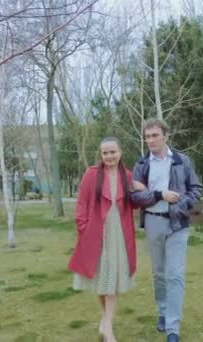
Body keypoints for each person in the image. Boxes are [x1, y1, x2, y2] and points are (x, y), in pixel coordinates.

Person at [131, 119, 202, 342]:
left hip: (177, 224)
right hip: (152, 222)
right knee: (159, 274)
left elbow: (196, 189)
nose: (150, 140)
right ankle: (162, 313)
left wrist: (181, 205)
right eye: (147, 136)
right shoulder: (141, 165)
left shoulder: (182, 161)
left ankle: (173, 328)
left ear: (165, 136)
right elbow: (134, 196)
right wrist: (160, 194)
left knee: (175, 275)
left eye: (155, 135)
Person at [67, 137, 137, 342]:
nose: (109, 156)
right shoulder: (92, 174)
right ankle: (106, 320)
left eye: (112, 152)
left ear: (120, 152)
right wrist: (83, 227)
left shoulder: (128, 175)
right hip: (96, 233)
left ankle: (107, 327)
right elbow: (81, 202)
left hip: (119, 234)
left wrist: (144, 190)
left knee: (113, 280)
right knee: (100, 279)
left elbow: (136, 203)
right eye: (105, 153)